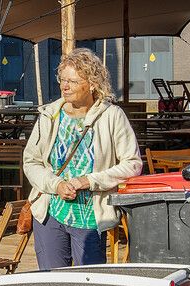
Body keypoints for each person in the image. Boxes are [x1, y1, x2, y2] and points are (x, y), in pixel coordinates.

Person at [23, 48, 142, 269]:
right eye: (62, 79)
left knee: (89, 285)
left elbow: (132, 165)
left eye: (73, 81)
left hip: (90, 216)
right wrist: (56, 184)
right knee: (52, 285)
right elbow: (31, 161)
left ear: (93, 84)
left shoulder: (112, 116)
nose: (64, 86)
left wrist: (88, 180)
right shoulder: (50, 115)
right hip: (50, 213)